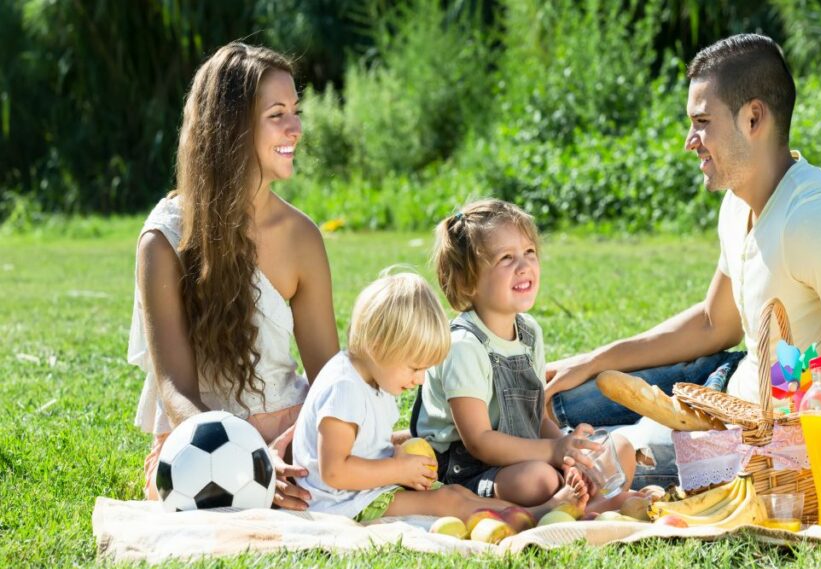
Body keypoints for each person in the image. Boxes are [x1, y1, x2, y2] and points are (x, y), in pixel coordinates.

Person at [544, 34, 821, 505]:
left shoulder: (817, 219)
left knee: (567, 463)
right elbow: (713, 323)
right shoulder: (738, 203)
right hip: (720, 386)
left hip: (759, 446)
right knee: (550, 401)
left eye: (702, 122)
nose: (689, 141)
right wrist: (594, 360)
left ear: (753, 118)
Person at [128, 42, 339, 509]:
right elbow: (175, 390)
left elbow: (328, 379)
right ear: (231, 127)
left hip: (292, 433)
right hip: (199, 441)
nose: (296, 128)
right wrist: (246, 460)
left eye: (295, 111)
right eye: (277, 114)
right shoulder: (164, 239)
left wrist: (295, 449)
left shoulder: (302, 237)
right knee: (211, 497)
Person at [291, 272, 587, 521]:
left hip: (360, 492)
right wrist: (398, 469)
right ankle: (539, 515)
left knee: (458, 493)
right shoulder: (345, 388)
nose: (420, 379)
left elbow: (360, 448)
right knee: (447, 502)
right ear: (378, 345)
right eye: (415, 367)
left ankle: (535, 511)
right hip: (341, 503)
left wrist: (399, 459)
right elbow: (334, 471)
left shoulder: (370, 377)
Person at [411, 199, 636, 511]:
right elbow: (479, 441)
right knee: (539, 481)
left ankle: (579, 501)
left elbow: (537, 418)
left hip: (529, 453)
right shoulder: (463, 345)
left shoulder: (528, 332)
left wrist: (568, 452)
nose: (524, 266)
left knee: (621, 448)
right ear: (468, 281)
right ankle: (584, 505)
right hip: (471, 471)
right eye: (506, 258)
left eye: (529, 252)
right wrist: (553, 452)